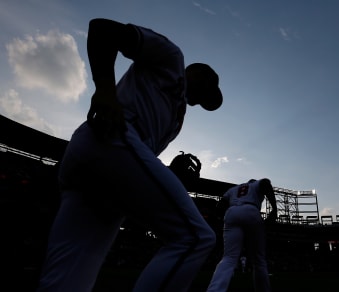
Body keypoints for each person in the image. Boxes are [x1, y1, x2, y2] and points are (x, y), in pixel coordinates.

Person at [36, 18, 222, 292]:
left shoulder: (177, 118)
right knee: (195, 237)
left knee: (70, 276)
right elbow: (102, 29)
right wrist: (105, 90)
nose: (205, 98)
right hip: (111, 136)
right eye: (209, 88)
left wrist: (169, 172)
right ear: (201, 74)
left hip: (106, 162)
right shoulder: (172, 57)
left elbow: (138, 158)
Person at [207, 178, 277, 292]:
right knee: (259, 260)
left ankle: (214, 290)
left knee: (228, 258)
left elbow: (220, 205)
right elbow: (265, 182)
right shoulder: (255, 185)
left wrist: (221, 219)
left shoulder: (234, 189)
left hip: (232, 211)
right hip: (251, 210)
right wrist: (274, 208)